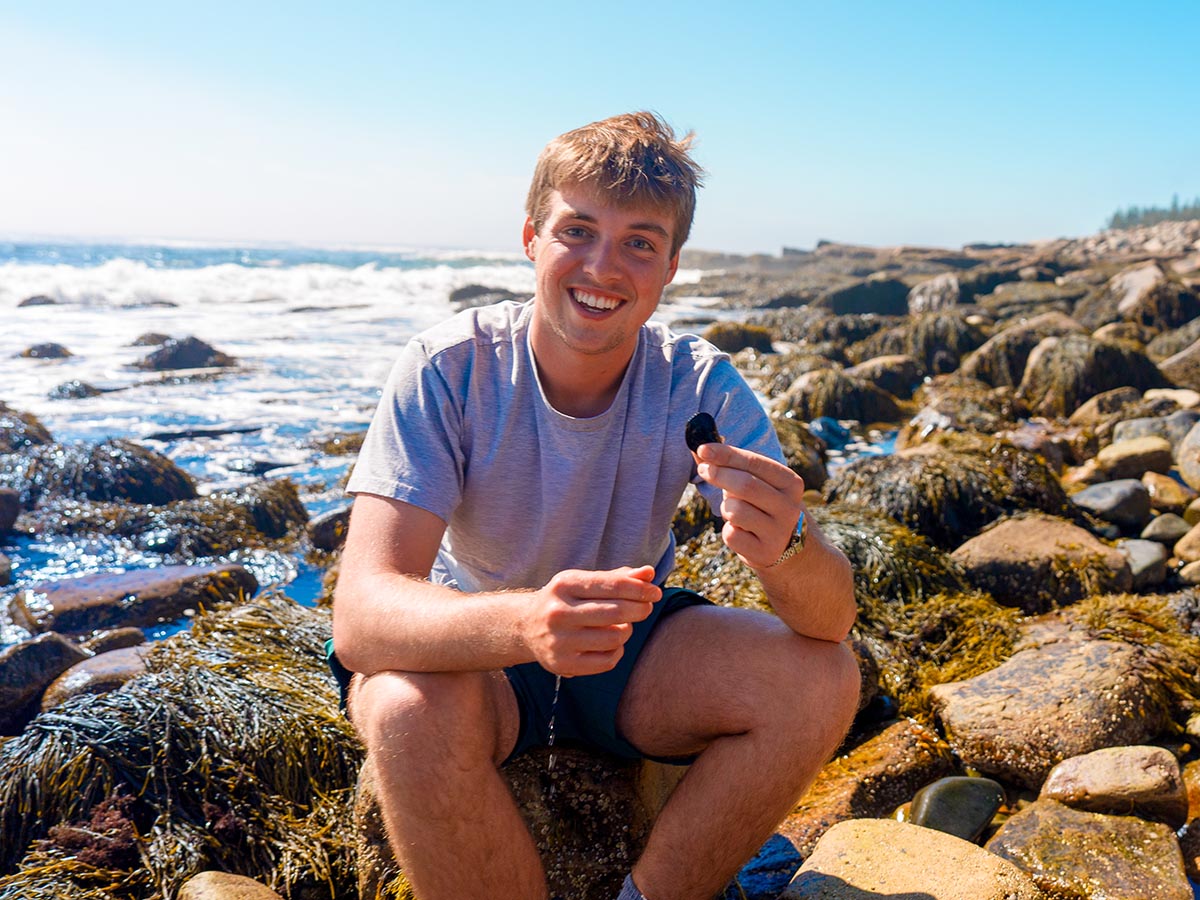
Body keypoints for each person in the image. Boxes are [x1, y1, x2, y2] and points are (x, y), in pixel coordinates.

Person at [330, 111, 859, 900]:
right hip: (478, 651)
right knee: (404, 708)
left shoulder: (697, 382)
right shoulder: (448, 369)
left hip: (630, 649)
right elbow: (362, 615)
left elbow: (829, 620)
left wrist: (786, 548)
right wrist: (526, 624)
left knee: (822, 679)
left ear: (671, 265)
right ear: (531, 240)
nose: (603, 267)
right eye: (577, 231)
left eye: (639, 242)